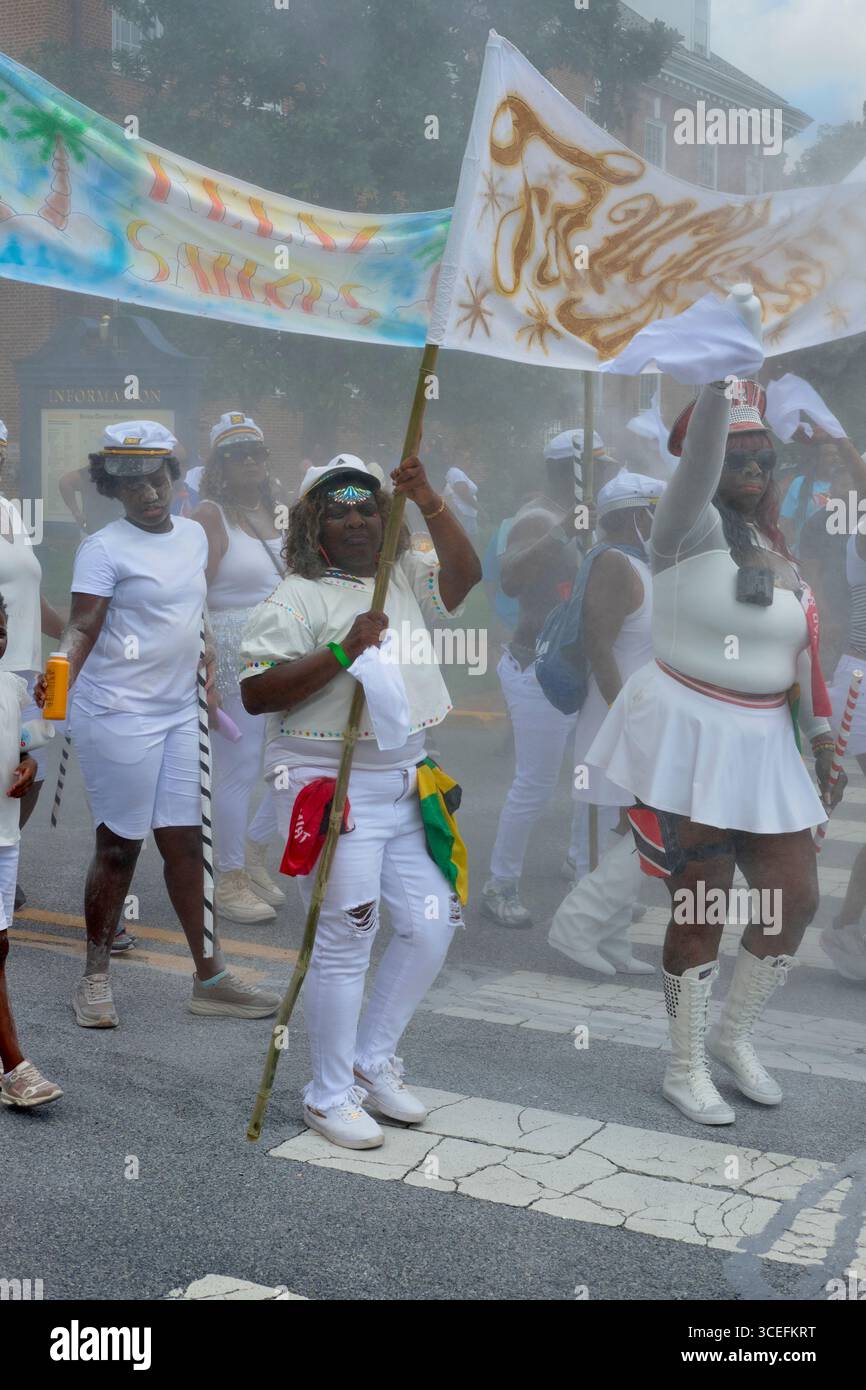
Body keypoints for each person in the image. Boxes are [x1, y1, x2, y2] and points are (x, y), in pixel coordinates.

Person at [589, 340, 842, 1126]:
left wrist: (824, 740)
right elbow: (698, 463)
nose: (755, 471)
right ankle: (684, 1063)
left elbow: (807, 659)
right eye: (739, 457)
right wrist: (716, 372)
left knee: (791, 900)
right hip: (690, 730)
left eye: (764, 458)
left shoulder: (781, 553)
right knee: (699, 905)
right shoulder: (684, 527)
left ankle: (733, 1036)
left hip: (768, 741)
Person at [239, 453, 480, 1149]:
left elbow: (465, 580)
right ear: (314, 523)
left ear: (386, 519)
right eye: (338, 508)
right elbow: (257, 694)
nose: (354, 518)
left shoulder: (402, 576)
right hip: (331, 783)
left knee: (431, 925)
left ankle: (372, 1062)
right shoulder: (296, 596)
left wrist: (430, 498)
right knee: (348, 937)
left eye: (367, 507)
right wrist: (344, 651)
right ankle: (327, 1093)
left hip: (408, 779)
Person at [41, 421, 280, 1028]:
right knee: (119, 848)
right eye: (133, 487)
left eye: (157, 480)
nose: (147, 494)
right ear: (113, 492)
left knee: (184, 843)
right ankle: (93, 978)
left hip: (178, 712)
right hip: (118, 711)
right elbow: (84, 624)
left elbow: (192, 607)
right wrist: (60, 670)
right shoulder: (104, 548)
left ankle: (211, 978)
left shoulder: (194, 539)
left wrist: (202, 658)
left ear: (174, 479)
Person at [549, 470, 663, 975]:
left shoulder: (643, 562)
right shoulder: (616, 563)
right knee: (636, 825)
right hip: (619, 712)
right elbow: (599, 644)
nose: (661, 521)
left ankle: (613, 938)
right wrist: (624, 716)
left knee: (633, 825)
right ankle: (576, 927)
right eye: (654, 512)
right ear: (637, 516)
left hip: (641, 712)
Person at [481, 440, 581, 926]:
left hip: (581, 667)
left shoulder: (592, 511)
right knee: (537, 783)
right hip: (537, 665)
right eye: (594, 467)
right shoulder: (537, 518)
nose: (605, 474)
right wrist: (564, 532)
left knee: (595, 776)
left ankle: (582, 866)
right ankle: (499, 884)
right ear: (569, 472)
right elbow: (511, 580)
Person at [192, 413, 286, 924]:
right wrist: (204, 663)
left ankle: (252, 857)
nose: (248, 460)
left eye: (255, 451)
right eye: (235, 454)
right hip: (232, 650)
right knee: (240, 767)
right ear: (218, 465)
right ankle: (226, 880)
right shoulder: (211, 515)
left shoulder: (276, 511)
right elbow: (193, 593)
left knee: (284, 762)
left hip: (282, 649)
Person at [0, 420, 65, 909]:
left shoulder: (9, 512)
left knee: (29, 770)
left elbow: (30, 591)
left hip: (22, 673)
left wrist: (74, 634)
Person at [0, 593, 62, 1108]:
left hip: (3, 836)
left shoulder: (10, 685)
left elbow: (22, 743)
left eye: (1, 631)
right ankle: (15, 1067)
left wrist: (29, 764)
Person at [57, 462, 123, 535]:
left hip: (110, 528)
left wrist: (76, 513)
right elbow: (66, 482)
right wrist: (76, 513)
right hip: (95, 529)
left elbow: (66, 482)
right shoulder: (102, 464)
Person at [443, 467, 479, 537]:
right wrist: (480, 510)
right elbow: (462, 492)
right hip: (463, 515)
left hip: (464, 515)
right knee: (467, 543)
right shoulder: (455, 472)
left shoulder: (455, 472)